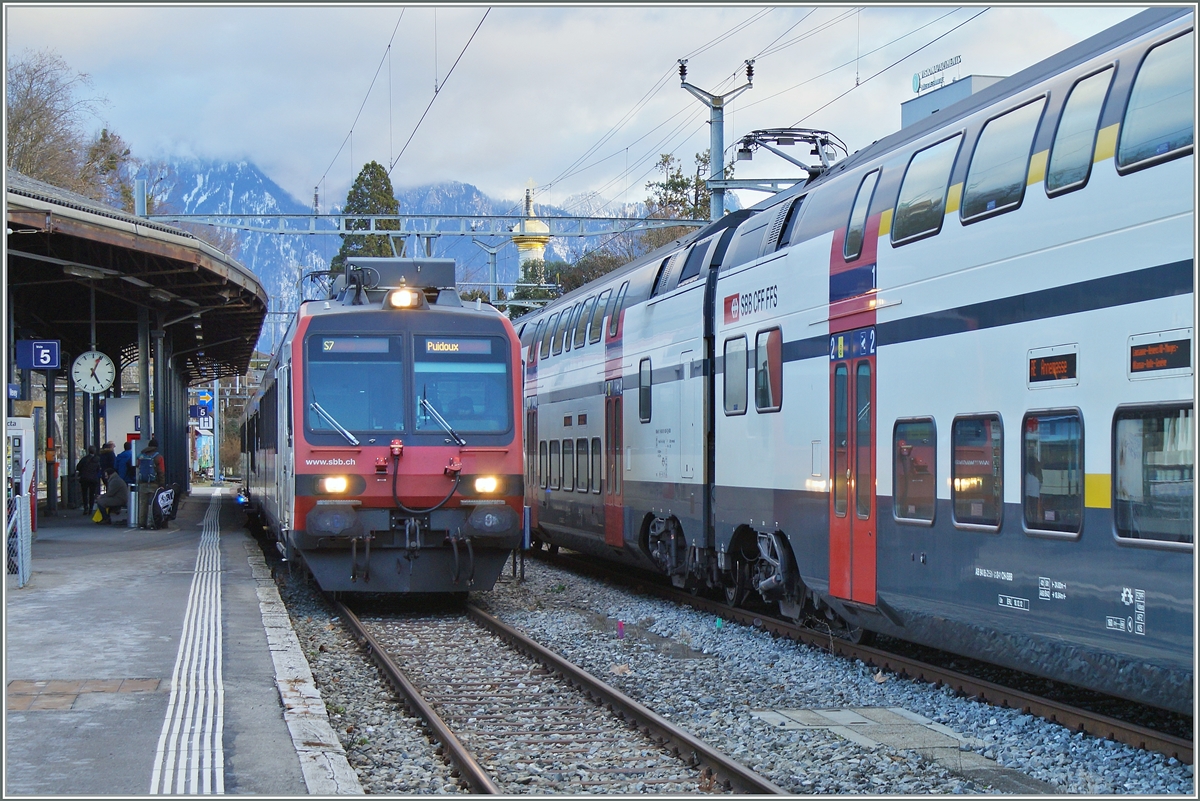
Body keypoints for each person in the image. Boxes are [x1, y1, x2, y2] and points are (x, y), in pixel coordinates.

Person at [136, 437, 166, 529]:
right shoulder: (158, 457)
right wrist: (162, 484)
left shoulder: (141, 455)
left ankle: (142, 524)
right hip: (154, 483)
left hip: (142, 483)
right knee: (153, 504)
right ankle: (152, 523)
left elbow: (137, 466)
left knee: (142, 504)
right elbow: (161, 471)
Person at [76, 445, 101, 514]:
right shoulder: (97, 460)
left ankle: (85, 508)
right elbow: (99, 469)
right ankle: (91, 508)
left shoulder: (84, 459)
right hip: (93, 479)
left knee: (84, 493)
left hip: (84, 478)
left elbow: (78, 467)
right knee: (92, 494)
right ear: (95, 451)